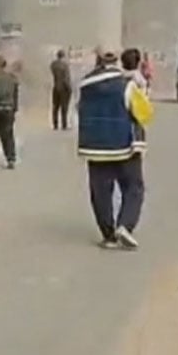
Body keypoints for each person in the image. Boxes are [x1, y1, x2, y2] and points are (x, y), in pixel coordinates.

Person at [78, 48, 149, 250]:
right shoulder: (127, 85)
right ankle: (125, 225)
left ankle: (108, 235)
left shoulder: (85, 86)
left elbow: (79, 110)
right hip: (124, 145)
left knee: (100, 192)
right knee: (133, 187)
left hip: (95, 148)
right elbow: (144, 113)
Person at [50, 49, 72, 130]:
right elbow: (66, 78)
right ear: (63, 56)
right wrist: (69, 88)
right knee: (64, 107)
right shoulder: (65, 65)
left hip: (56, 87)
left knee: (55, 107)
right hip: (64, 88)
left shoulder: (53, 64)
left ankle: (55, 124)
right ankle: (64, 124)